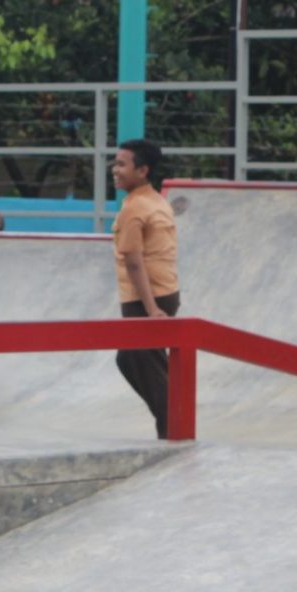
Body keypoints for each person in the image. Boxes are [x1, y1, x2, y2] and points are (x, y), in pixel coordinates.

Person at [110, 138, 181, 439]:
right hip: (166, 291)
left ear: (143, 170)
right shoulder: (156, 200)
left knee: (148, 367)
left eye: (122, 164)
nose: (115, 170)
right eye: (115, 163)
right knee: (130, 358)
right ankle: (170, 421)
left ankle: (173, 430)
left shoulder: (134, 208)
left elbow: (134, 262)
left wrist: (151, 309)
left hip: (144, 298)